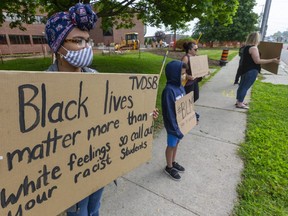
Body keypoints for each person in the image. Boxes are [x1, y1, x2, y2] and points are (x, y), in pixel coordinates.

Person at [45, 3, 104, 216]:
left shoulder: (97, 78)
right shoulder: (41, 87)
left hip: (98, 161)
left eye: (87, 41)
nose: (85, 47)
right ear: (58, 46)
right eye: (78, 41)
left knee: (95, 209)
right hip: (67, 172)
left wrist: (138, 116)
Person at [235, 32, 280, 109]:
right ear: (256, 39)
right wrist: (272, 60)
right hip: (251, 71)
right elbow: (257, 61)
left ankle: (239, 101)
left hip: (245, 70)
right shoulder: (254, 48)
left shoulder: (246, 47)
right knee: (245, 87)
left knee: (242, 86)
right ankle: (240, 103)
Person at [162, 60, 187, 181]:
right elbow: (169, 113)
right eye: (181, 74)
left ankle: (173, 161)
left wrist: (194, 115)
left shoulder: (181, 88)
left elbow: (186, 104)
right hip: (173, 126)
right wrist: (174, 129)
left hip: (180, 124)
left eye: (184, 73)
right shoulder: (168, 91)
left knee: (177, 143)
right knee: (171, 145)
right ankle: (169, 166)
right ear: (174, 75)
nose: (184, 76)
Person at [181, 41, 202, 123]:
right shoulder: (186, 58)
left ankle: (188, 111)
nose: (197, 51)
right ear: (189, 50)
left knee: (196, 96)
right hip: (188, 83)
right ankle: (187, 113)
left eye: (197, 49)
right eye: (195, 49)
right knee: (189, 98)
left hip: (195, 81)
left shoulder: (195, 57)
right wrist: (187, 76)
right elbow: (182, 72)